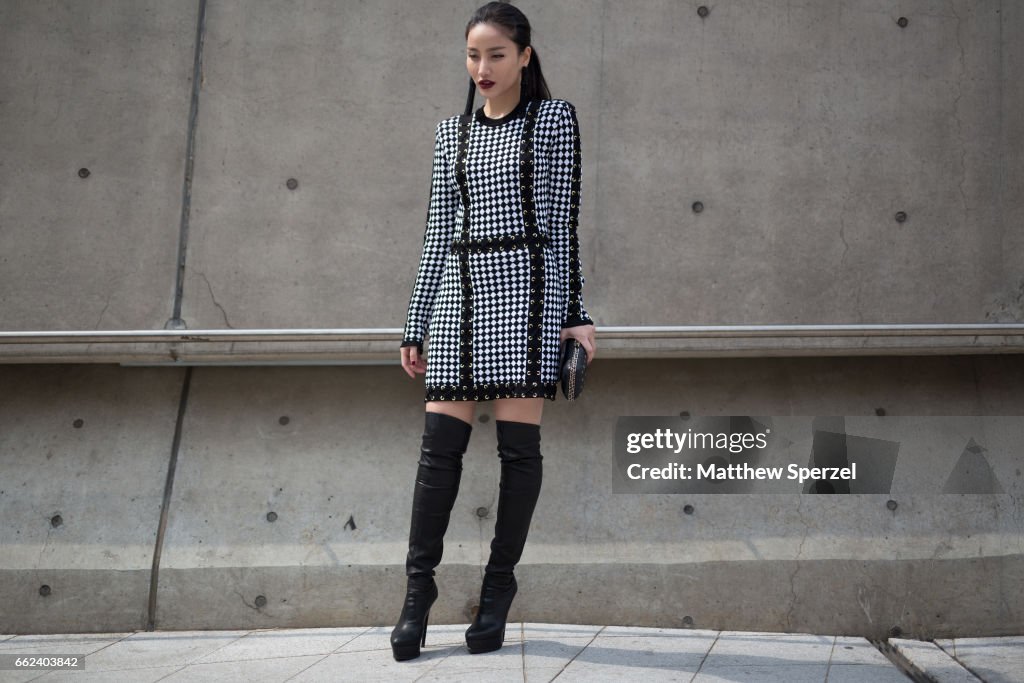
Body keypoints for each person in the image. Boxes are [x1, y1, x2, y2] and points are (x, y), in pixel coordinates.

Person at [392, 1, 597, 661]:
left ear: (524, 57)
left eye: (496, 55)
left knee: (517, 453)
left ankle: (497, 588)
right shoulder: (450, 133)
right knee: (437, 454)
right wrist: (416, 319)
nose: (482, 68)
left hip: (527, 299)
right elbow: (435, 233)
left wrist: (577, 316)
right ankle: (416, 595)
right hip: (458, 298)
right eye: (473, 55)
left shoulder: (554, 119)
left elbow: (563, 223)